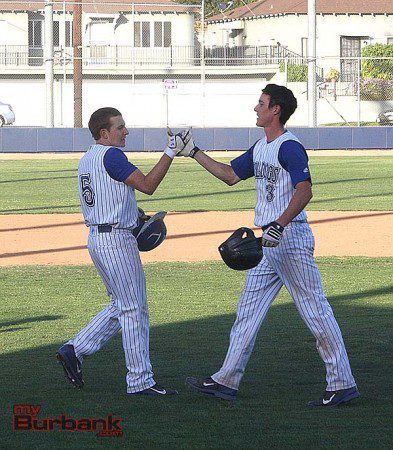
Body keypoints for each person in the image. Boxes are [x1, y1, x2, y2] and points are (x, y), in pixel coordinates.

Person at [183, 84, 359, 406]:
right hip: (268, 243)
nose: (256, 108)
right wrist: (194, 151)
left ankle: (342, 382)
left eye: (261, 103)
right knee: (247, 311)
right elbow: (229, 175)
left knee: (314, 310)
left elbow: (304, 191)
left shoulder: (289, 147)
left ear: (275, 110)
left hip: (288, 240)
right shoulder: (261, 147)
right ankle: (226, 380)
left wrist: (280, 223)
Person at [56, 107, 189, 396]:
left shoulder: (87, 158)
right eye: (120, 128)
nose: (125, 131)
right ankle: (140, 381)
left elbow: (108, 195)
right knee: (134, 310)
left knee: (122, 304)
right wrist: (171, 150)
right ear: (104, 133)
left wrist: (132, 214)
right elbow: (148, 185)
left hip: (98, 238)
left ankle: (74, 349)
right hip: (116, 241)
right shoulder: (112, 155)